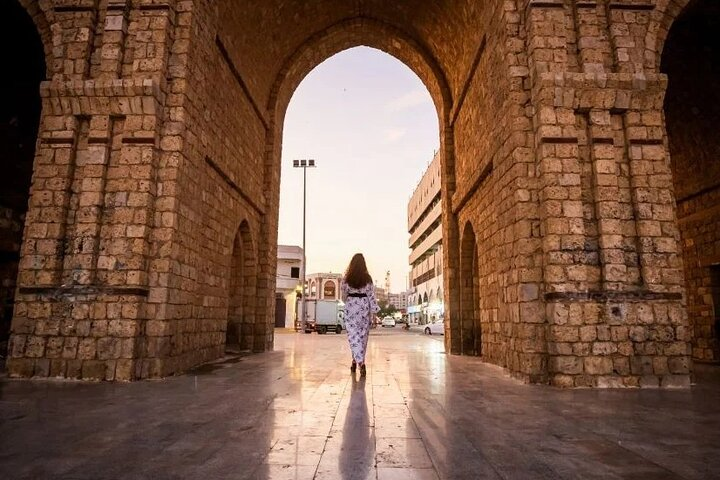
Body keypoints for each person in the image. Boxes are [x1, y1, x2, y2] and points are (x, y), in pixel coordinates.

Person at [341, 253, 380, 377]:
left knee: (353, 337)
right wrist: (373, 312)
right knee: (362, 338)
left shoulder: (347, 278)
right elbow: (371, 296)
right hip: (364, 308)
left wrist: (349, 300)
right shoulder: (367, 279)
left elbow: (343, 296)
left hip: (351, 307)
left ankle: (358, 362)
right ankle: (359, 361)